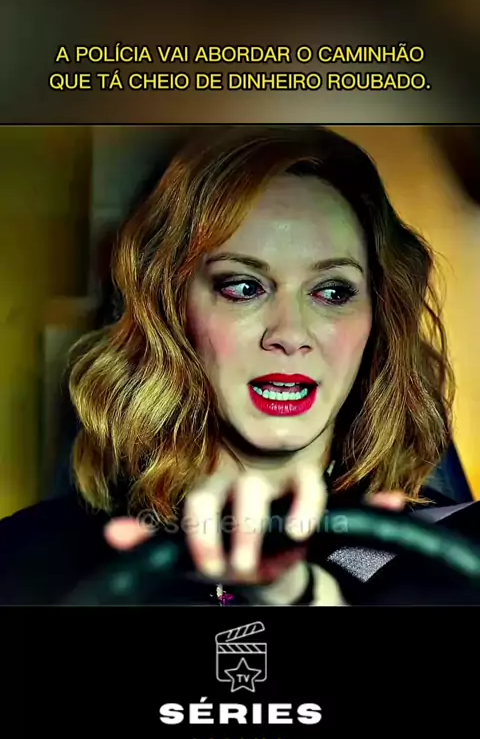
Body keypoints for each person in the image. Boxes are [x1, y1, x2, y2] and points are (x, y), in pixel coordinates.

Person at [0, 125, 477, 606]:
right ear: (171, 311)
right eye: (244, 287)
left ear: (378, 317)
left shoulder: (461, 558)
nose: (290, 334)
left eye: (333, 292)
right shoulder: (30, 560)